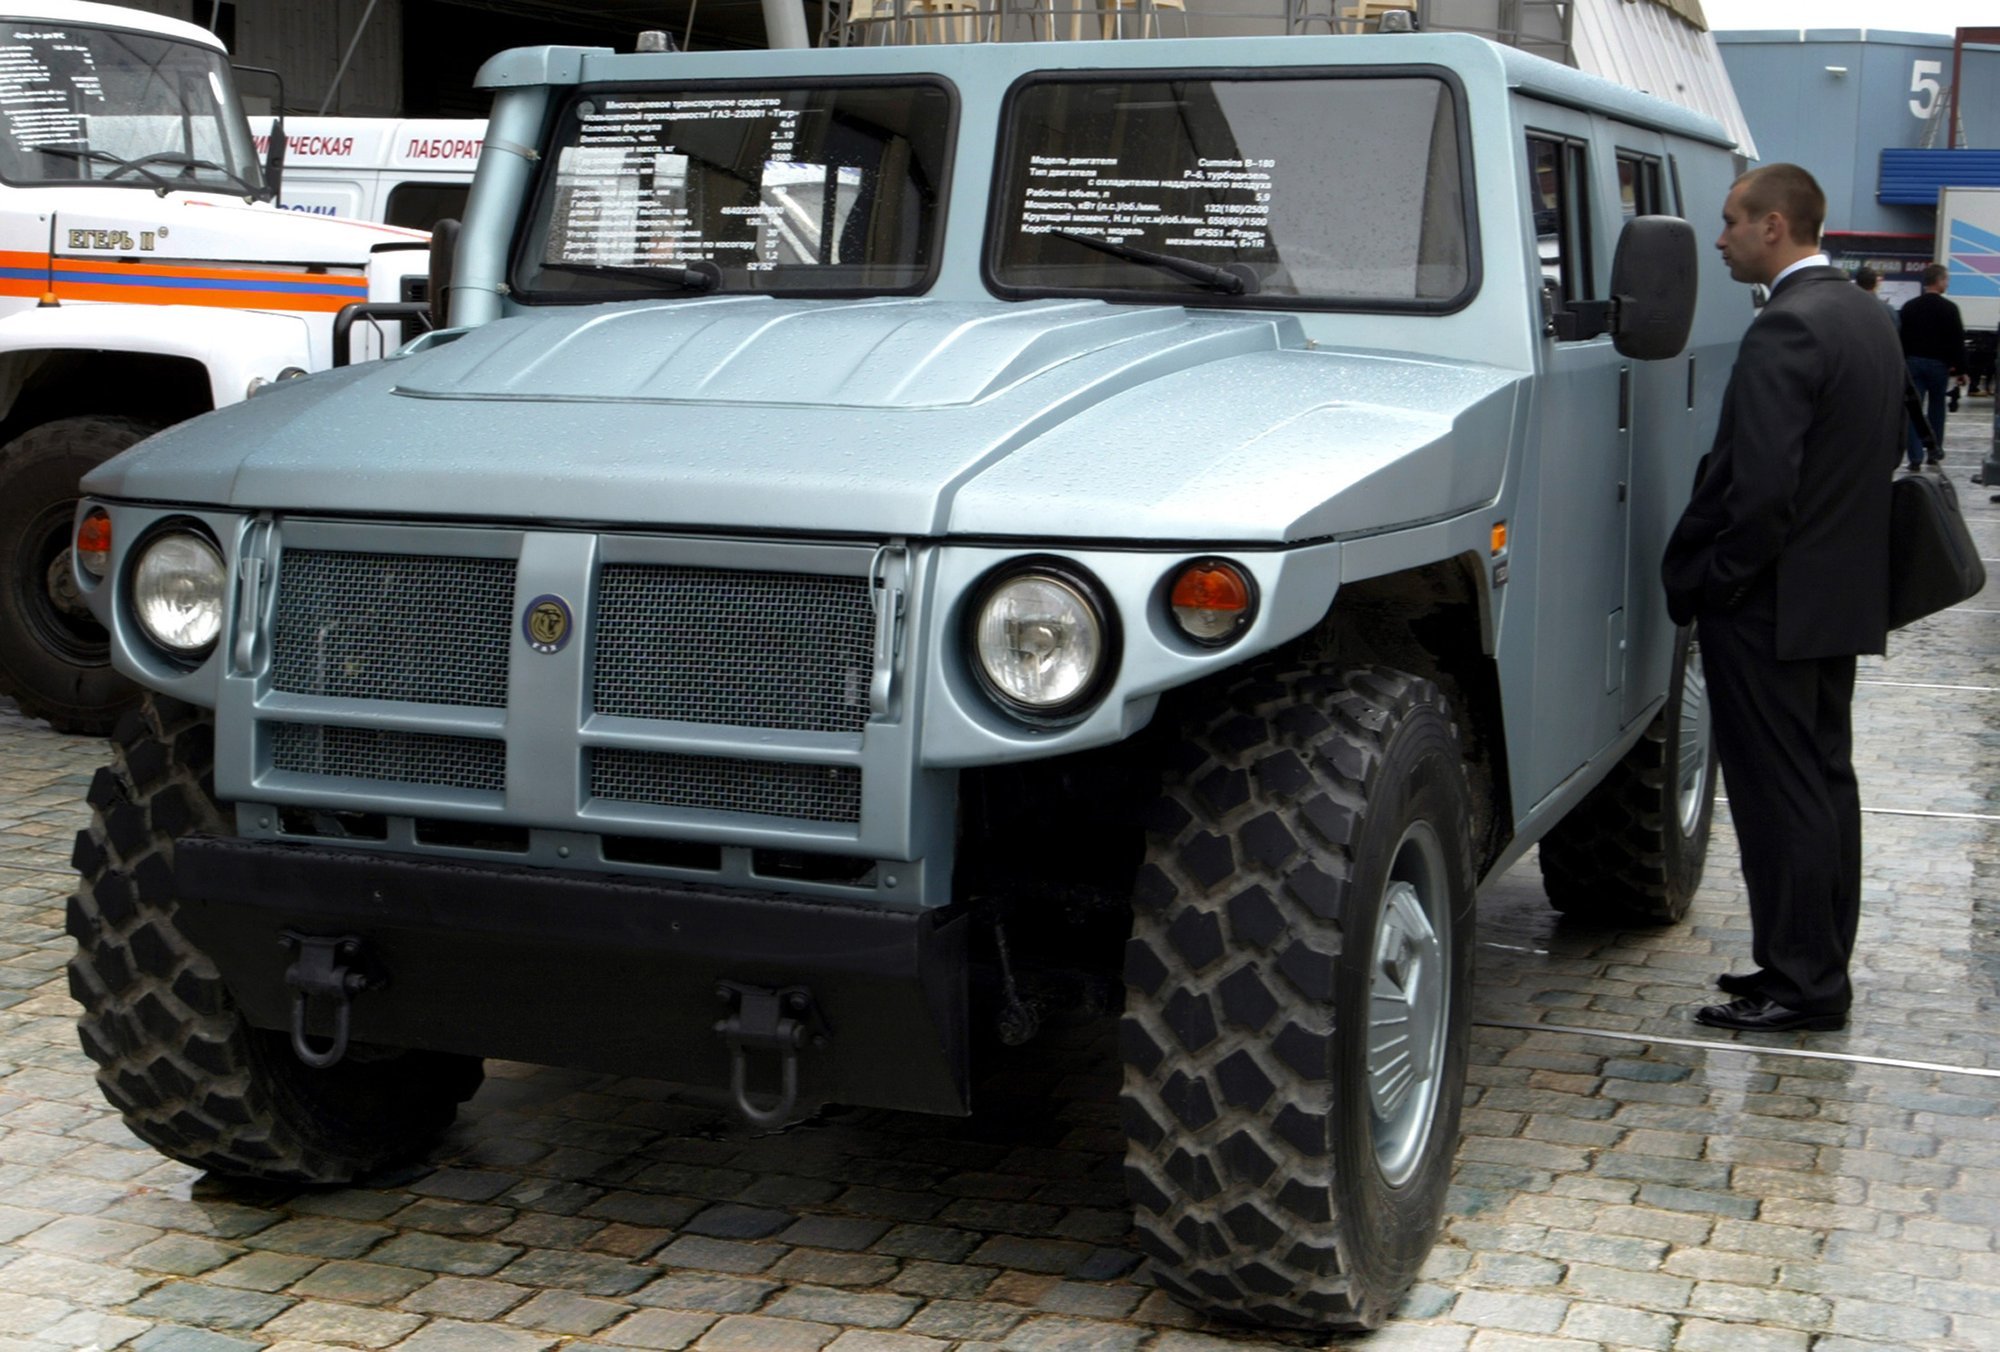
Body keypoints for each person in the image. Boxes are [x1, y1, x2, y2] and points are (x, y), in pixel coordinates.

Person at [1661, 163, 1903, 1034]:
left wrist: (1722, 583)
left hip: (1771, 606)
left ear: (1774, 226)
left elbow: (1761, 489)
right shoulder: (1865, 315)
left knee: (1779, 796)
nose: (1720, 237)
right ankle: (1811, 966)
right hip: (1834, 601)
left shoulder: (1788, 325)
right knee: (1824, 784)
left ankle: (1801, 984)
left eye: (1732, 220)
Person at [1898, 263, 1964, 469]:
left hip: (1913, 363)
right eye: (1946, 279)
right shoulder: (1950, 309)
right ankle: (1934, 451)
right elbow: (1956, 340)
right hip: (1939, 366)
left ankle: (1915, 457)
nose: (1947, 283)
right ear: (1939, 280)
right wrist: (1961, 369)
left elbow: (1901, 338)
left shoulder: (1910, 307)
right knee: (1937, 408)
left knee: (1914, 409)